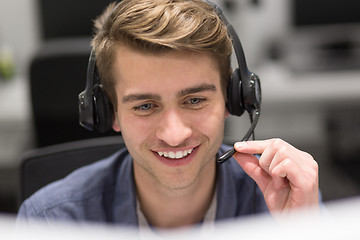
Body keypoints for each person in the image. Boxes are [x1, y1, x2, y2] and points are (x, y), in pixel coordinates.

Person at [17, 0, 319, 230]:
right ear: (109, 113)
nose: (175, 135)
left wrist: (305, 229)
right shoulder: (51, 222)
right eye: (145, 106)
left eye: (195, 100)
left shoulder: (284, 205)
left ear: (232, 99)